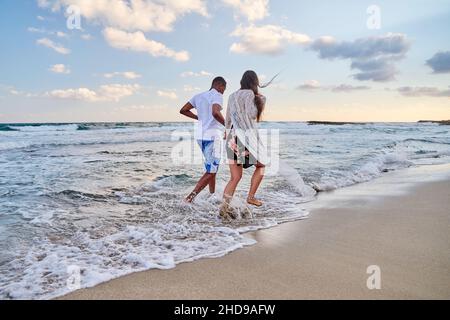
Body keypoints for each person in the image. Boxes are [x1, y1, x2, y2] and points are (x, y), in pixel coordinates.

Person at [220, 70, 269, 219]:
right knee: (261, 165)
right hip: (244, 138)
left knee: (235, 177)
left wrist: (226, 133)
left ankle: (224, 208)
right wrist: (261, 101)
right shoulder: (249, 94)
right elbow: (252, 114)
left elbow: (228, 118)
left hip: (231, 137)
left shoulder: (231, 96)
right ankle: (251, 197)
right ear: (254, 82)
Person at [180, 77, 227, 203]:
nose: (223, 92)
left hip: (200, 137)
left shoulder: (198, 96)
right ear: (220, 85)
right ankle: (189, 198)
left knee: (211, 168)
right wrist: (229, 126)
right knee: (211, 170)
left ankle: (212, 194)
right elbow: (216, 113)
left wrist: (199, 117)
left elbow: (183, 110)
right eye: (224, 89)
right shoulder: (217, 95)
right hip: (213, 137)